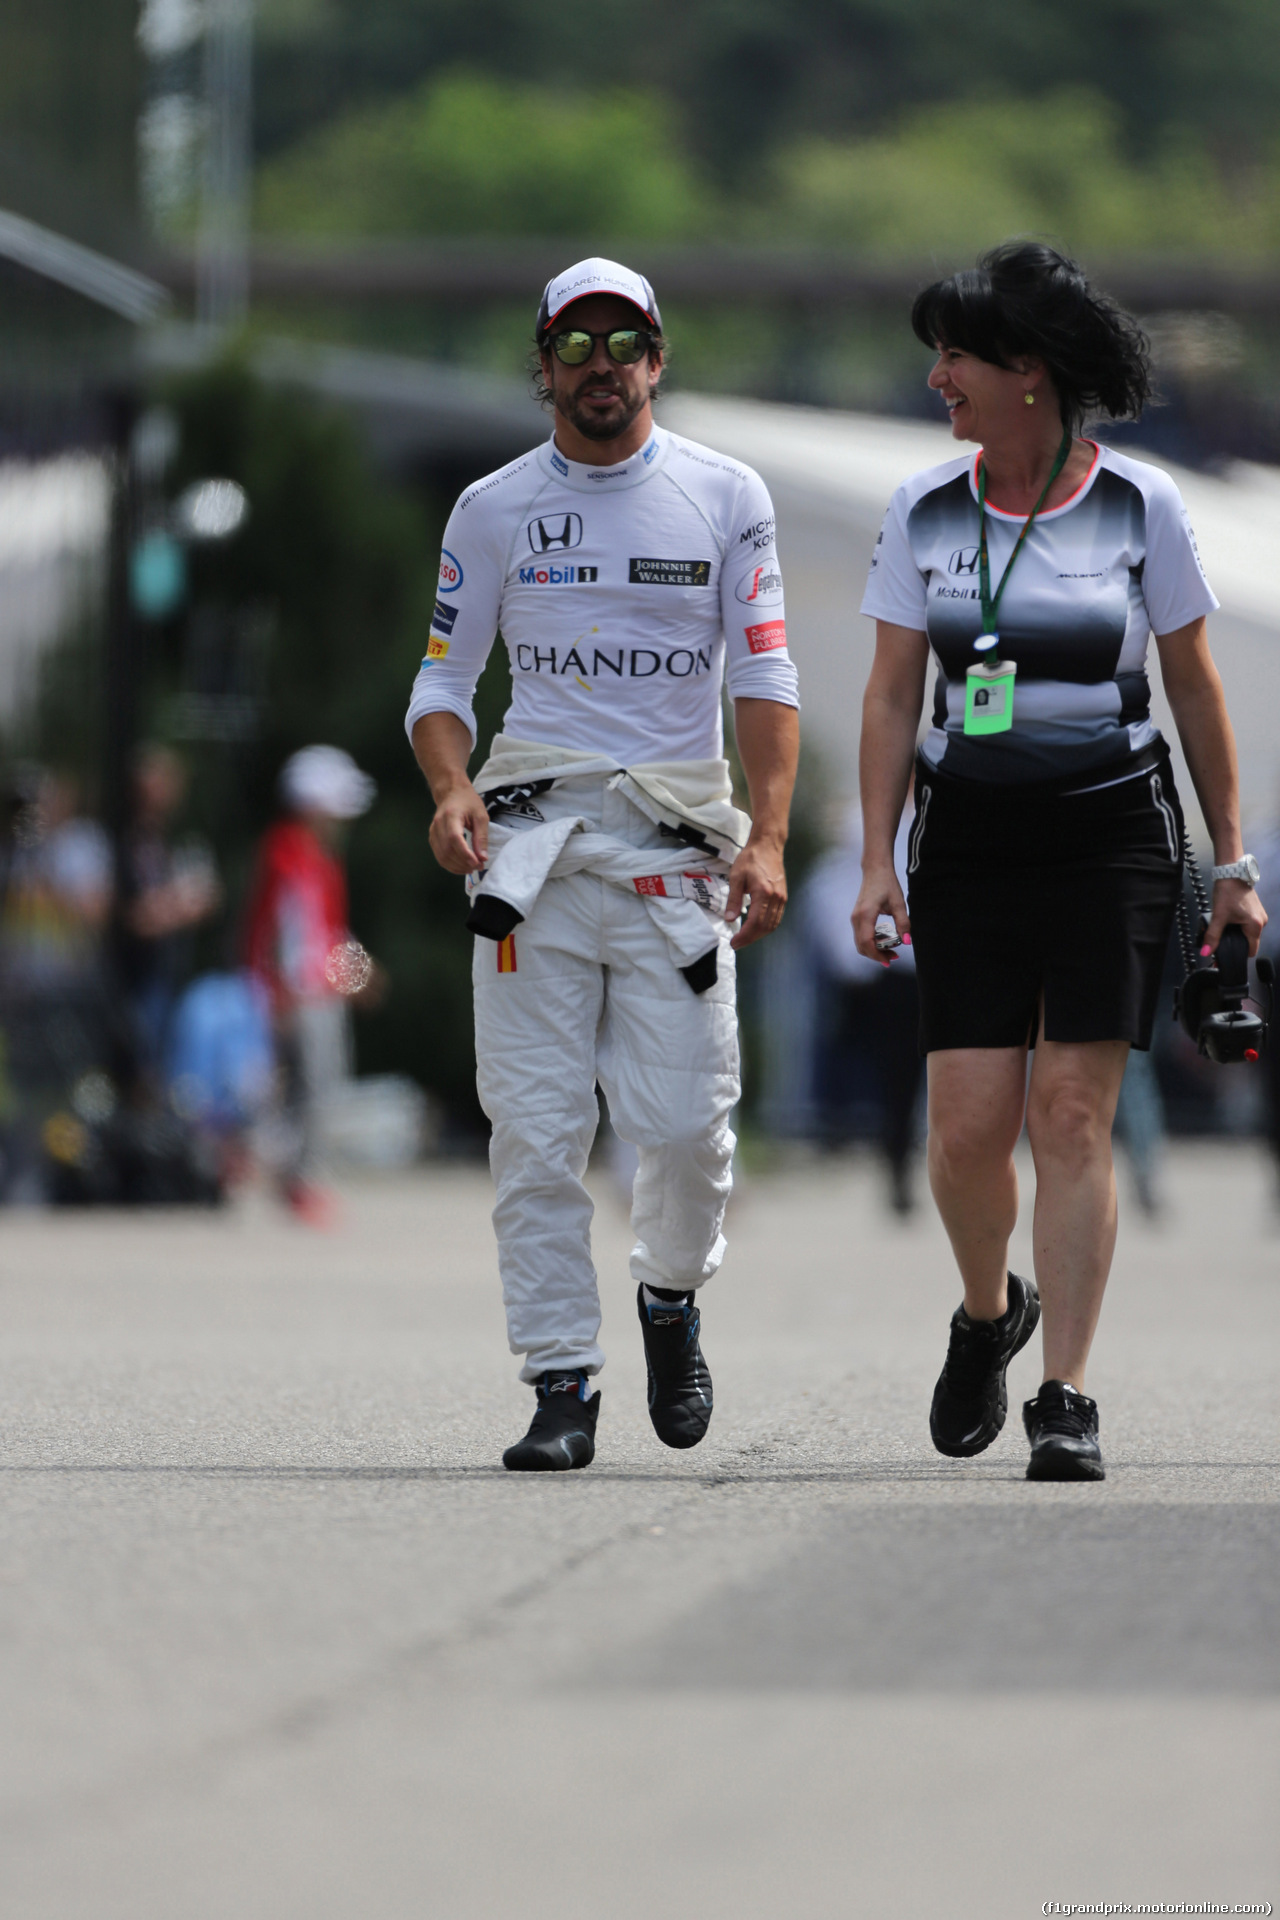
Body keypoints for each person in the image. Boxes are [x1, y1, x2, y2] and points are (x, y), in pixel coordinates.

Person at [853, 241, 1266, 1482]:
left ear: (1026, 372)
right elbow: (887, 698)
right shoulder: (922, 508)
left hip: (1109, 837)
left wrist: (1231, 858)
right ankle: (990, 1313)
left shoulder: (1142, 504)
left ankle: (1065, 1394)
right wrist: (874, 858)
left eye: (956, 356)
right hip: (968, 838)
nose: (937, 378)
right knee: (965, 1131)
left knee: (1070, 1113)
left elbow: (1193, 688)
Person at [407, 256, 799, 1472]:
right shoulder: (490, 507)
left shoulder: (727, 495)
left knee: (685, 1130)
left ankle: (670, 1297)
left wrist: (770, 835)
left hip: (678, 855)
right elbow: (439, 681)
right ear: (542, 367)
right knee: (533, 1133)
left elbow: (764, 675)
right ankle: (559, 1382)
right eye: (572, 347)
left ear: (657, 358)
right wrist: (449, 787)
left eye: (620, 343)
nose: (599, 367)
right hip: (531, 855)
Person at [244, 745, 379, 1224]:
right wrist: (281, 991)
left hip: (310, 991)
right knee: (307, 1088)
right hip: (300, 994)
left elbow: (327, 931)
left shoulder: (315, 857)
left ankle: (291, 1178)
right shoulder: (290, 853)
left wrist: (357, 975)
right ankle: (292, 1180)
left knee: (309, 1087)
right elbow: (289, 932)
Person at [800, 798, 922, 1212]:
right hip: (897, 970)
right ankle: (898, 1165)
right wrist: (872, 960)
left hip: (943, 966)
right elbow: (858, 889)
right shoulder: (869, 824)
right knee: (898, 1079)